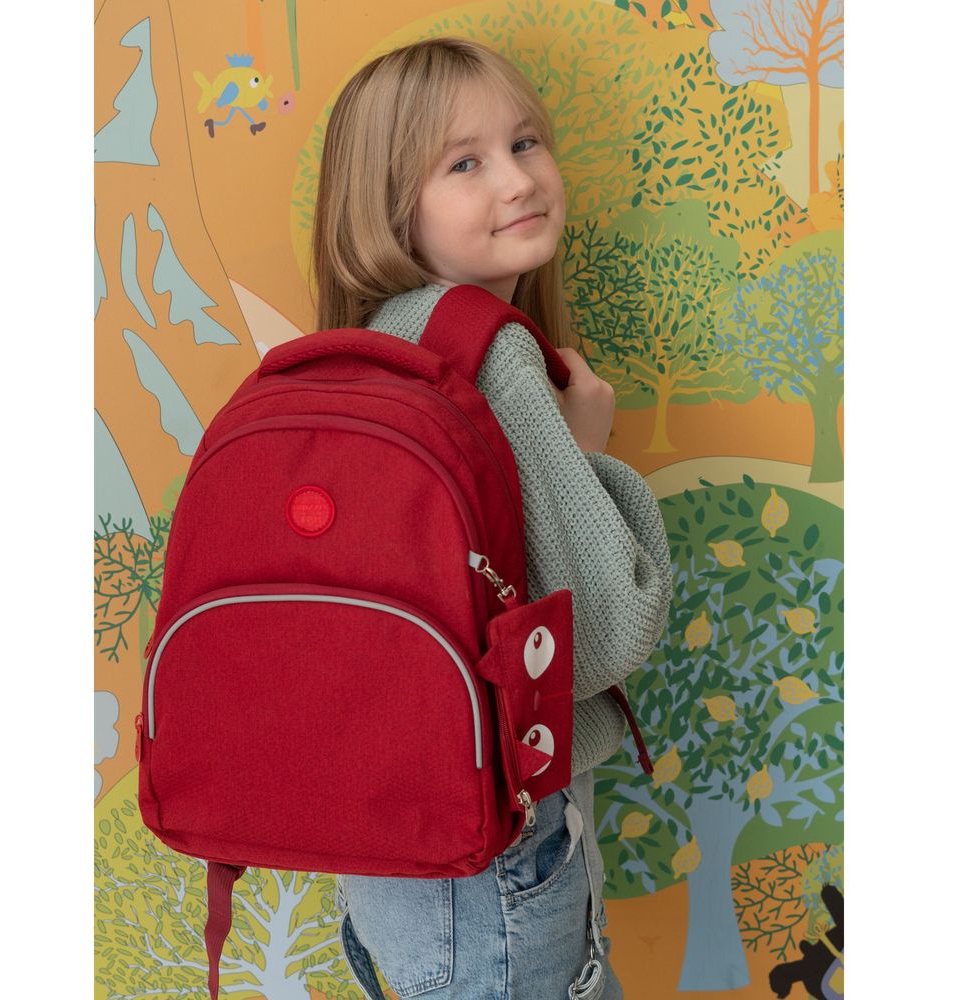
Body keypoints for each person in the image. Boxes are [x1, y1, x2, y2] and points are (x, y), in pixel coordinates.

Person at [309, 35, 673, 1000]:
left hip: (387, 837)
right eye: (464, 164)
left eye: (524, 143)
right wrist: (588, 452)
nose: (517, 179)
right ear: (390, 208)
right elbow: (603, 633)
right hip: (494, 848)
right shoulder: (489, 356)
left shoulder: (365, 349)